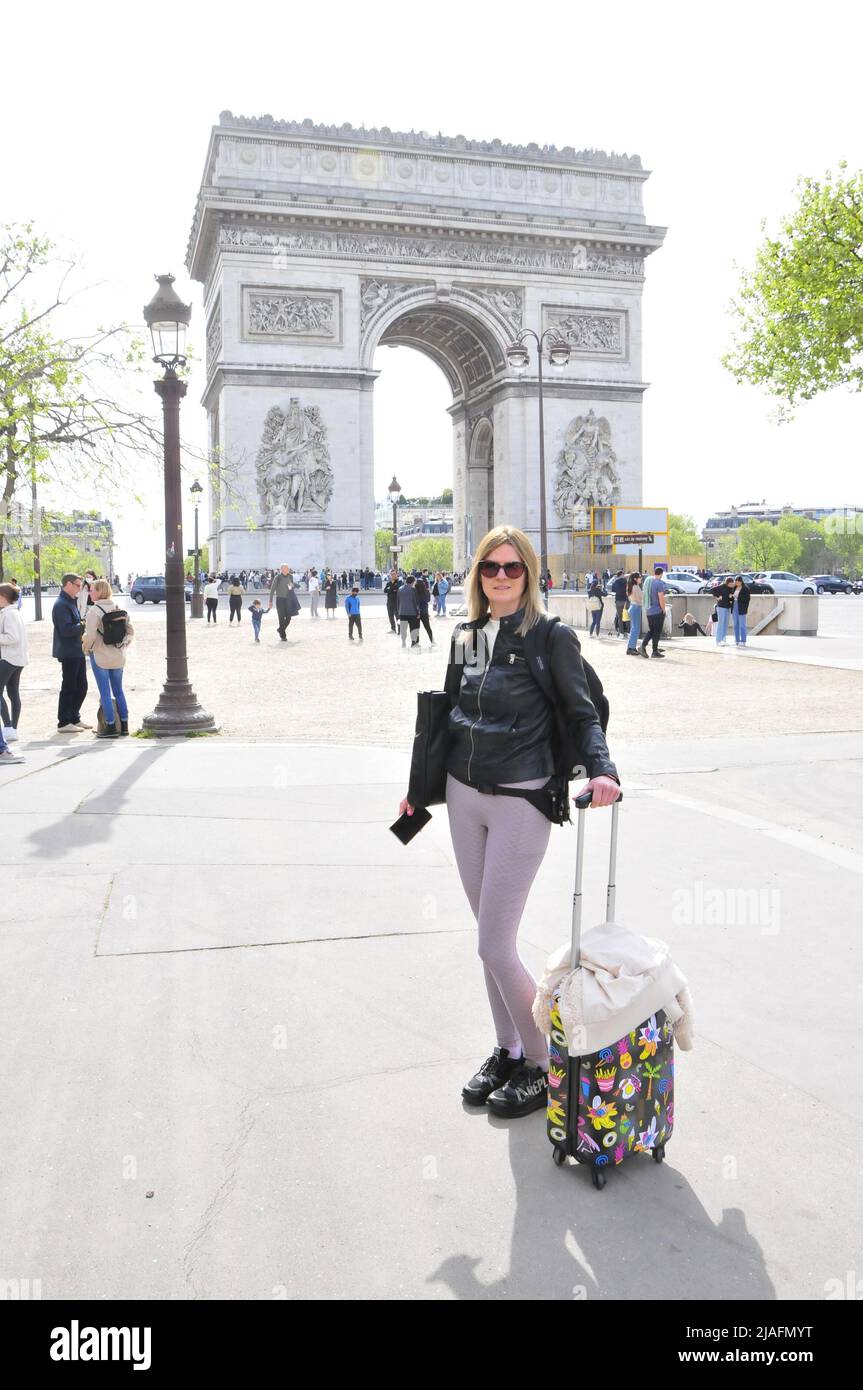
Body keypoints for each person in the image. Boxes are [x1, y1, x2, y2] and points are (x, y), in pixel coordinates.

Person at [398, 524, 620, 1116]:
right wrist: (419, 793)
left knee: (495, 944)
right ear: (477, 576)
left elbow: (581, 713)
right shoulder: (466, 636)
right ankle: (509, 1048)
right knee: (488, 942)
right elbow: (447, 718)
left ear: (529, 573)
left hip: (521, 799)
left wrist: (602, 770)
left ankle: (546, 1064)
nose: (500, 577)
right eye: (490, 568)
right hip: (463, 797)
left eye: (512, 567)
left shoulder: (551, 637)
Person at [82, 579, 134, 737]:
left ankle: (110, 726)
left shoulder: (93, 612)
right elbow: (130, 632)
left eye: (92, 589)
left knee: (105, 692)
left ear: (99, 591)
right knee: (119, 691)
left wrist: (86, 648)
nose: (89, 592)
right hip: (118, 656)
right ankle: (124, 725)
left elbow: (90, 636)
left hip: (100, 656)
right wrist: (123, 646)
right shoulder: (119, 609)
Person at [52, 573, 90, 731]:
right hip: (69, 652)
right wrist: (83, 624)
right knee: (69, 686)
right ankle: (64, 722)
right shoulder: (61, 604)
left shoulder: (69, 602)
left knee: (82, 686)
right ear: (68, 584)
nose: (80, 589)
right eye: (77, 585)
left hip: (76, 650)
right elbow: (66, 630)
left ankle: (74, 717)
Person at [0, 583, 29, 762]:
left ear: (3, 596)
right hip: (18, 659)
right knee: (13, 692)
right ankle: (11, 729)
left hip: (9, 658)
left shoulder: (8, 613)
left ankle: (9, 726)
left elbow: (12, 638)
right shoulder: (14, 612)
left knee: (3, 693)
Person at [640, 565, 667, 658]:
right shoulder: (659, 583)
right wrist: (663, 609)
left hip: (649, 610)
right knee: (657, 632)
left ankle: (643, 646)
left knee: (651, 631)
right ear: (661, 574)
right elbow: (661, 598)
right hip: (657, 611)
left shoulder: (649, 581)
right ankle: (654, 651)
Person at [268, 565, 301, 639]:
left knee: (288, 618)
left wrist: (294, 585)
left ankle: (280, 629)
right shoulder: (278, 577)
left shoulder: (290, 576)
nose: (287, 569)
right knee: (281, 618)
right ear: (281, 569)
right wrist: (270, 601)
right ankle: (283, 635)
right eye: (286, 568)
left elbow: (290, 586)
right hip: (280, 600)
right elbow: (272, 589)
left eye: (288, 568)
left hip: (288, 600)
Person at [625, 572, 646, 656]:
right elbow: (639, 599)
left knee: (634, 629)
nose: (641, 579)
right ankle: (631, 648)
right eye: (639, 577)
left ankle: (631, 648)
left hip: (633, 607)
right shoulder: (635, 587)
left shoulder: (631, 586)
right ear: (635, 579)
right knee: (635, 629)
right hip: (636, 608)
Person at [397, 574, 421, 650]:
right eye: (414, 582)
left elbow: (397, 601)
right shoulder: (413, 590)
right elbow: (415, 602)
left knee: (403, 629)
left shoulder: (400, 589)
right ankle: (413, 643)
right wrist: (418, 612)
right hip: (412, 612)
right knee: (413, 628)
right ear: (412, 582)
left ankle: (403, 642)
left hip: (402, 612)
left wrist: (398, 612)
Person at [416, 572, 435, 647]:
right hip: (425, 611)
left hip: (417, 612)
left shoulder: (415, 592)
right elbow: (428, 600)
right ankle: (432, 641)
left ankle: (416, 642)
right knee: (428, 627)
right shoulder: (426, 591)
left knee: (416, 628)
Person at [714, 576, 735, 646]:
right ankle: (718, 640)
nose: (732, 585)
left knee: (725, 624)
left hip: (728, 607)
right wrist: (717, 596)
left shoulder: (731, 589)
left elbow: (731, 599)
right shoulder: (721, 587)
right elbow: (712, 590)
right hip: (721, 607)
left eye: (732, 584)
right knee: (721, 623)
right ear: (727, 583)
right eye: (730, 584)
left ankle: (723, 639)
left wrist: (731, 597)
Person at [732, 576, 751, 647]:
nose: (736, 583)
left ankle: (743, 641)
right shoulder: (734, 588)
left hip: (742, 608)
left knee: (742, 625)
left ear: (741, 581)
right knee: (735, 625)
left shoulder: (745, 589)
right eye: (735, 581)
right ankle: (737, 640)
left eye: (738, 581)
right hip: (734, 607)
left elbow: (747, 599)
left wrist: (737, 597)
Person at [610, 569, 628, 637]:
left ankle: (621, 633)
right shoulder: (625, 581)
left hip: (618, 601)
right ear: (621, 574)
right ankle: (626, 632)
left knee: (620, 618)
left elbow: (613, 592)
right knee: (626, 617)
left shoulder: (615, 582)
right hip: (625, 601)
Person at [384, 568, 401, 634]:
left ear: (396, 574)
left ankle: (400, 630)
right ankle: (393, 629)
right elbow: (385, 590)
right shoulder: (388, 583)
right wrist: (392, 589)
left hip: (396, 602)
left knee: (397, 617)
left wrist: (390, 589)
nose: (392, 575)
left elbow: (397, 590)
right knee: (390, 616)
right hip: (389, 602)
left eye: (394, 574)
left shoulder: (399, 582)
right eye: (391, 574)